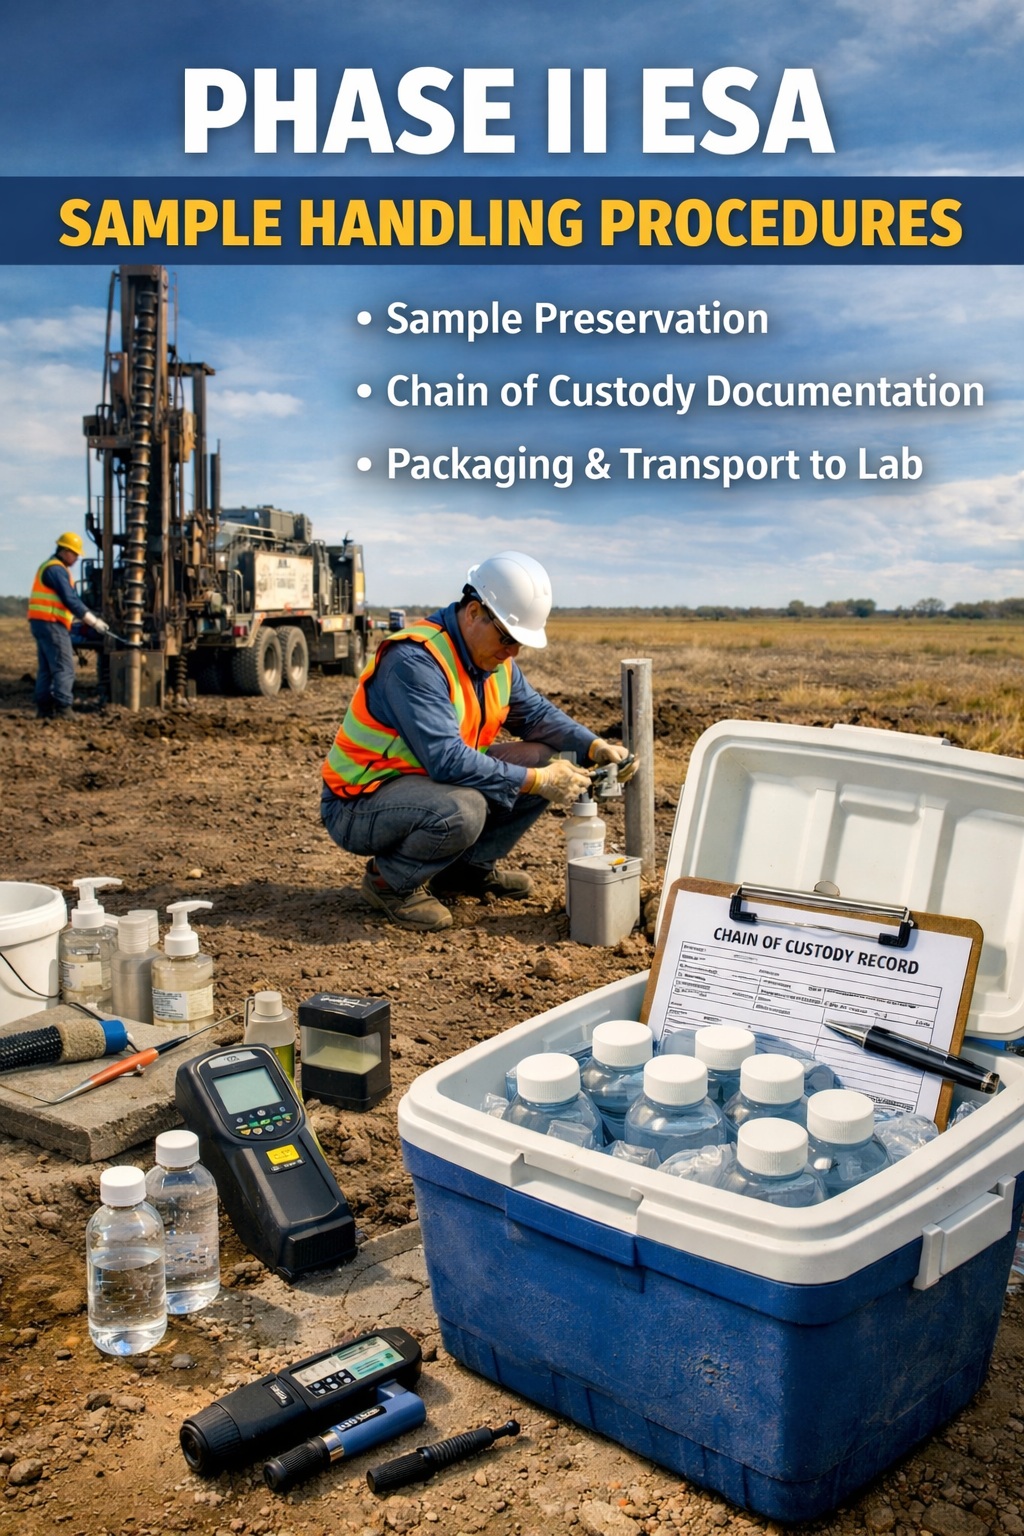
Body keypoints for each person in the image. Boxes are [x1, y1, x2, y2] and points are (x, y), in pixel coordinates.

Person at [321, 551, 635, 932]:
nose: (513, 652)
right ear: (473, 613)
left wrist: (594, 746)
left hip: (419, 787)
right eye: (507, 638)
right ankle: (390, 882)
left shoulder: (493, 661)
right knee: (464, 808)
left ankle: (463, 872)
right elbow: (446, 760)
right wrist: (540, 781)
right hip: (359, 802)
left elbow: (535, 715)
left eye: (518, 642)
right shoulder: (415, 661)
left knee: (543, 757)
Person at [27, 532, 109, 718]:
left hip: (41, 622)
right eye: (74, 553)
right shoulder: (56, 570)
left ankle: (44, 710)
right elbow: (70, 599)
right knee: (64, 667)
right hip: (51, 623)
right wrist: (93, 621)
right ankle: (64, 708)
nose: (77, 557)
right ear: (64, 551)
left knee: (47, 668)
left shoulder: (50, 567)